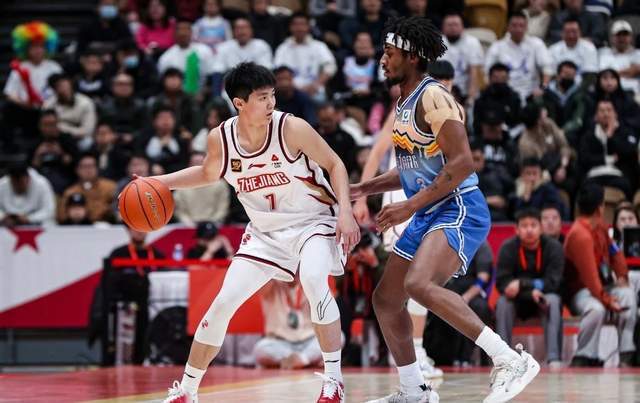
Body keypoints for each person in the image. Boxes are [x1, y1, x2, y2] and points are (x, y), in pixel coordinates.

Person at [351, 16, 540, 403]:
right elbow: (410, 169)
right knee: (386, 299)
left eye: (389, 53)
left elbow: (462, 163)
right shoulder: (404, 102)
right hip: (429, 211)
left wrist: (408, 206)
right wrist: (362, 188)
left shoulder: (434, 97)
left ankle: (509, 360)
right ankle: (413, 391)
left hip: (458, 206)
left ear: (412, 56)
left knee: (419, 285)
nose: (382, 60)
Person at [154, 62, 360, 403]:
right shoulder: (221, 138)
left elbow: (335, 163)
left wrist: (347, 213)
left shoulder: (291, 128)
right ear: (240, 103)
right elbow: (207, 173)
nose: (271, 103)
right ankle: (187, 391)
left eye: (272, 95)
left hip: (313, 221)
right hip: (265, 234)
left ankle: (334, 382)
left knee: (313, 280)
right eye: (262, 97)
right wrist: (157, 182)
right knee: (223, 303)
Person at [564, 183, 637, 367]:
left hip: (602, 287)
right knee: (597, 308)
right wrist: (608, 300)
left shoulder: (601, 227)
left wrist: (622, 276)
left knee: (627, 294)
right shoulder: (579, 235)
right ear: (600, 207)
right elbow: (590, 280)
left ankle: (627, 353)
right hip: (580, 292)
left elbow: (615, 253)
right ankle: (584, 356)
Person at [496, 208, 565, 367]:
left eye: (533, 225)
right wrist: (529, 292)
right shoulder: (508, 247)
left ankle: (554, 358)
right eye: (524, 226)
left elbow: (554, 283)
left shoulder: (554, 247)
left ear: (541, 228)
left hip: (543, 298)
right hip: (517, 300)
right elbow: (503, 283)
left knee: (553, 300)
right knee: (502, 303)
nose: (529, 230)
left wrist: (522, 284)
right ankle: (502, 358)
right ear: (517, 230)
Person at [253, 275, 324, 369]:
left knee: (338, 337)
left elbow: (326, 310)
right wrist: (279, 271)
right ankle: (305, 359)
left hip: (309, 340)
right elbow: (266, 274)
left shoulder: (310, 283)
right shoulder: (271, 284)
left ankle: (301, 359)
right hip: (281, 343)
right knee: (260, 349)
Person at [0, 161, 56, 226]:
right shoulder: (2, 184)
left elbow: (49, 210)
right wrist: (3, 216)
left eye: (21, 184)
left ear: (28, 178)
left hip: (37, 224)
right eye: (15, 184)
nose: (19, 187)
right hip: (7, 224)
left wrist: (29, 218)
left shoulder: (42, 184)